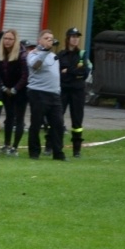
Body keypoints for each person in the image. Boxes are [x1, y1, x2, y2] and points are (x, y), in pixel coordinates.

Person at [26, 30, 66, 161]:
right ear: (40, 40)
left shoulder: (54, 56)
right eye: (46, 38)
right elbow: (36, 65)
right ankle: (34, 152)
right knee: (36, 124)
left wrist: (58, 90)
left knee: (58, 124)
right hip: (38, 93)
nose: (50, 40)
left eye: (51, 38)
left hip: (54, 95)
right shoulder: (33, 54)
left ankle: (58, 153)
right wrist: (44, 52)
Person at [57, 27, 91, 158]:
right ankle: (52, 145)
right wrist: (75, 71)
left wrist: (69, 71)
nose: (75, 39)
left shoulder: (82, 54)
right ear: (68, 38)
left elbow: (85, 72)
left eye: (77, 37)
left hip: (78, 91)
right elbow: (60, 73)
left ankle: (77, 150)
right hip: (63, 90)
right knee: (57, 118)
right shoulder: (61, 54)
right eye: (73, 36)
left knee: (77, 121)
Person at [0, 29, 28, 156]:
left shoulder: (22, 55)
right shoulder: (0, 54)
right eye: (5, 38)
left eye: (10, 39)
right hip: (6, 89)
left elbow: (25, 75)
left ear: (15, 41)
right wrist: (3, 87)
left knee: (19, 118)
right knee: (9, 117)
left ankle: (15, 147)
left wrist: (15, 89)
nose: (7, 41)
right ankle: (7, 144)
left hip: (20, 90)